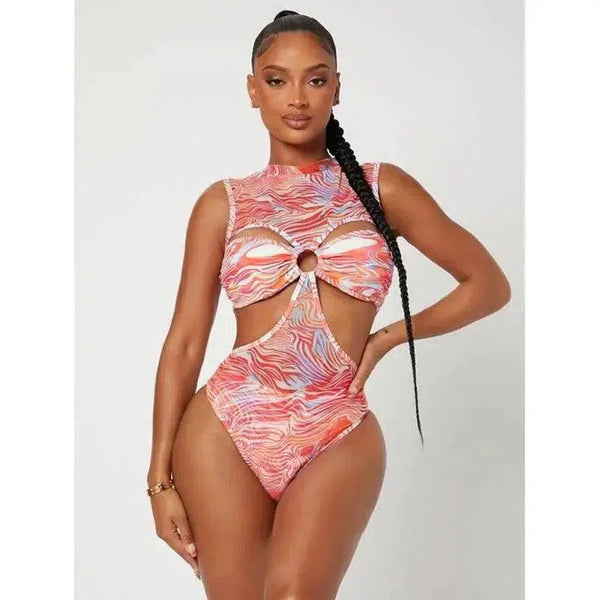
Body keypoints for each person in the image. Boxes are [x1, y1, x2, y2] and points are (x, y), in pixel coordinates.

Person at [146, 9, 511, 599]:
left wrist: (388, 337)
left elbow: (488, 284)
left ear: (337, 88)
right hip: (227, 425)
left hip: (336, 423)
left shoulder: (384, 188)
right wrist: (159, 479)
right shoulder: (224, 203)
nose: (297, 98)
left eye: (315, 79)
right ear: (253, 90)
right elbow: (185, 343)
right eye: (277, 80)